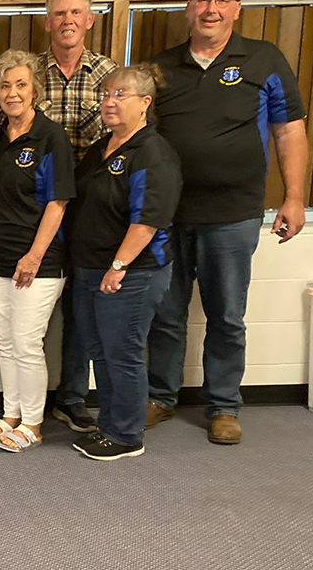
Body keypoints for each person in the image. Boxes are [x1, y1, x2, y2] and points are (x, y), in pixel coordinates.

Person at [146, 0, 308, 445]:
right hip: (168, 215)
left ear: (237, 8)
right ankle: (159, 396)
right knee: (165, 312)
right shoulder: (161, 66)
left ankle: (222, 407)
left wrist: (294, 197)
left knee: (226, 316)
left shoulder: (263, 59)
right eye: (202, 1)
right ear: (188, 8)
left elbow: (289, 130)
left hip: (234, 214)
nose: (211, 9)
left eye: (221, 1)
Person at [69, 65, 182, 461]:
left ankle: (128, 434)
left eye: (121, 94)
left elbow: (147, 220)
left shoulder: (152, 152)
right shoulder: (104, 147)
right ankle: (109, 426)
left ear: (145, 103)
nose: (109, 102)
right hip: (90, 266)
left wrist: (118, 266)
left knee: (123, 352)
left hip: (131, 272)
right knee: (101, 350)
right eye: (105, 94)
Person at [0, 50, 74, 453]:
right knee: (5, 342)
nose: (12, 93)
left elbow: (57, 202)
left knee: (28, 343)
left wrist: (33, 256)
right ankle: (10, 415)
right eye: (4, 85)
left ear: (35, 90)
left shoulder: (51, 137)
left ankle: (32, 422)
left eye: (20, 84)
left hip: (40, 261)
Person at [40, 0, 119, 434]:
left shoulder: (109, 74)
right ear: (48, 22)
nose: (67, 20)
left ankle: (72, 397)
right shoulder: (29, 74)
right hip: (39, 207)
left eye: (76, 12)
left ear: (90, 20)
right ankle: (22, 398)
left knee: (82, 307)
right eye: (58, 13)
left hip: (93, 208)